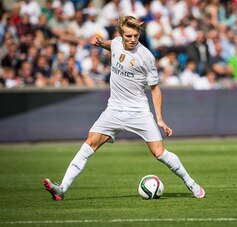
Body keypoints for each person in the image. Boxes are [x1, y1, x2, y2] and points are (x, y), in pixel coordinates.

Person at [44, 15, 205, 200]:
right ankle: (61, 189)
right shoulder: (116, 43)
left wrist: (159, 118)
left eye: (135, 35)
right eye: (128, 36)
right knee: (89, 144)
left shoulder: (147, 57)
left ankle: (191, 183)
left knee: (159, 153)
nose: (132, 39)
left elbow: (155, 89)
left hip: (139, 111)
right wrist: (99, 43)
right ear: (121, 34)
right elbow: (110, 45)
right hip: (114, 109)